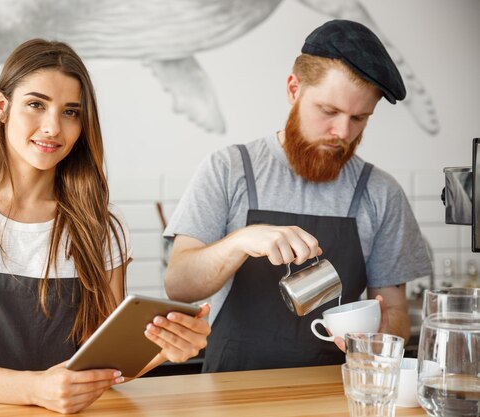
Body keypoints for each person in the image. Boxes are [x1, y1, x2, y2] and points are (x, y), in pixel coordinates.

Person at [0, 39, 210, 414]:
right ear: (2, 107)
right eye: (36, 104)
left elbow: (105, 363)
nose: (52, 127)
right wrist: (35, 389)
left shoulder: (101, 226)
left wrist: (163, 347)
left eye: (70, 112)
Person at [163, 19, 432, 373]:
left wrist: (380, 334)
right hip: (229, 391)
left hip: (335, 393)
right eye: (329, 111)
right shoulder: (229, 169)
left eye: (359, 118)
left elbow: (395, 309)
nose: (342, 132)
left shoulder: (381, 193)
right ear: (294, 89)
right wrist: (240, 240)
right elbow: (179, 284)